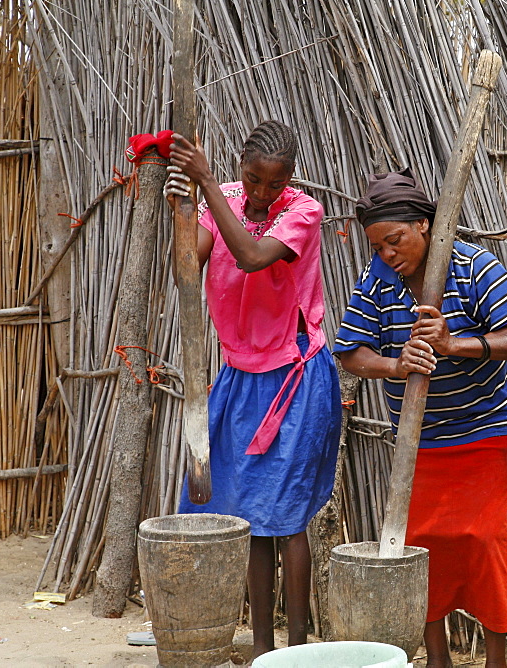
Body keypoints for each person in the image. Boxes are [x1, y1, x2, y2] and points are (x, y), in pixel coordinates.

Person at [334, 169, 507, 668]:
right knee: (419, 546)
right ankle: (438, 658)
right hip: (420, 440)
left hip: (487, 429)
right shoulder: (377, 282)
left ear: (424, 225)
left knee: (482, 539)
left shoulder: (472, 267)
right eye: (378, 245)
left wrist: (454, 346)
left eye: (395, 239)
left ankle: (496, 659)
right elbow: (350, 352)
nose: (387, 253)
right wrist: (395, 365)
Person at [164, 120, 340, 658]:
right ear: (242, 167)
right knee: (252, 519)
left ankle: (297, 650)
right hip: (241, 377)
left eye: (275, 183)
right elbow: (187, 267)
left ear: (289, 178)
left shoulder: (303, 214)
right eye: (253, 180)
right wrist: (182, 207)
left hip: (295, 377)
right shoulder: (226, 200)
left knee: (288, 520)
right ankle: (265, 652)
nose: (263, 193)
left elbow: (252, 257)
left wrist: (209, 187)